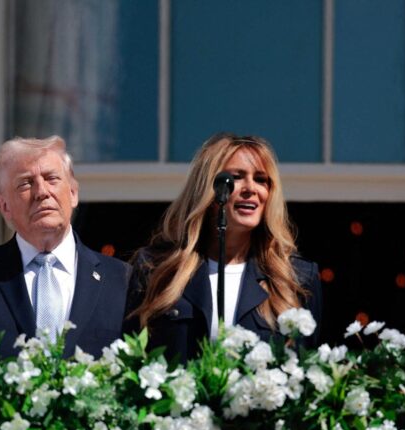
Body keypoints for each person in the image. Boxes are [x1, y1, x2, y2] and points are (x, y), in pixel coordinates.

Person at [0, 135, 131, 359]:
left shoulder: (122, 280)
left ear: (73, 193)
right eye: (25, 183)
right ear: (4, 206)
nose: (41, 192)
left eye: (51, 178)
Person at [126, 133, 322, 362]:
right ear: (207, 189)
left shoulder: (297, 278)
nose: (251, 188)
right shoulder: (155, 268)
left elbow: (308, 368)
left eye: (261, 180)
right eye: (235, 177)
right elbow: (130, 359)